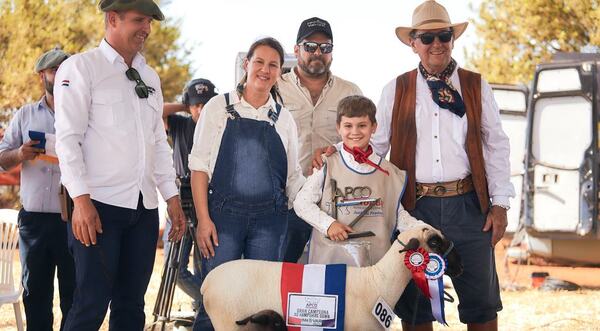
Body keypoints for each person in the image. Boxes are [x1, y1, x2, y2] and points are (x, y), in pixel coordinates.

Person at [371, 1, 515, 330]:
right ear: (413, 43)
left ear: (453, 38)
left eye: (444, 35)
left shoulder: (477, 85)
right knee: (416, 308)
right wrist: (337, 161)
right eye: (428, 37)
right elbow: (377, 150)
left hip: (469, 206)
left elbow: (496, 145)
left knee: (481, 306)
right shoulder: (396, 89)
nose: (437, 43)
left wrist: (501, 205)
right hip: (413, 208)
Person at [53, 1, 186, 329]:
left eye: (150, 22)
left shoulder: (150, 77)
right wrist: (80, 201)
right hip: (97, 209)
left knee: (131, 305)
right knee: (91, 304)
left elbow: (158, 142)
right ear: (112, 18)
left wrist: (172, 198)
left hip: (143, 208)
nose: (147, 29)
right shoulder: (81, 68)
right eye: (139, 20)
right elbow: (68, 140)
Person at [189, 37, 304, 331]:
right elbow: (199, 168)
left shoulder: (284, 119)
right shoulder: (219, 107)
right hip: (223, 221)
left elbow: (293, 179)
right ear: (246, 65)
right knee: (215, 300)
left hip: (270, 222)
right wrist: (204, 220)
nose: (265, 70)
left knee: (261, 307)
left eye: (273, 65)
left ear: (280, 72)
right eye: (259, 62)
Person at [293, 95, 425, 266]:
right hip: (331, 261)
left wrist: (425, 231)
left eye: (362, 125)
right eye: (348, 126)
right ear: (338, 128)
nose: (355, 132)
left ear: (374, 127)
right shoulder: (327, 163)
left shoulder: (389, 172)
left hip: (375, 264)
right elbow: (302, 203)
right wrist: (329, 225)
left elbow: (397, 215)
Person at [0, 48, 74, 330]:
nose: (60, 75)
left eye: (65, 70)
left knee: (74, 296)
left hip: (73, 219)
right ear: (42, 75)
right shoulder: (25, 115)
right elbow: (1, 159)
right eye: (54, 70)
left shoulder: (85, 115)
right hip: (34, 222)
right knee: (36, 298)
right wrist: (20, 153)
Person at [278, 17, 363, 263]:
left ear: (332, 53)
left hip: (335, 204)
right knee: (282, 276)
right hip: (286, 201)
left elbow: (365, 142)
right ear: (296, 50)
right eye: (309, 46)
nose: (318, 52)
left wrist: (336, 149)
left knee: (332, 279)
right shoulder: (275, 87)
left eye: (325, 47)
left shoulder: (350, 91)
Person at [162, 78, 217, 310]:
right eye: (196, 105)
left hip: (207, 201)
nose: (201, 109)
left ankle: (201, 314)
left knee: (203, 266)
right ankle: (212, 305)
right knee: (173, 269)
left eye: (206, 104)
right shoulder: (180, 124)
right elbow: (156, 111)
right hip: (180, 202)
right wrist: (184, 105)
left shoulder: (218, 127)